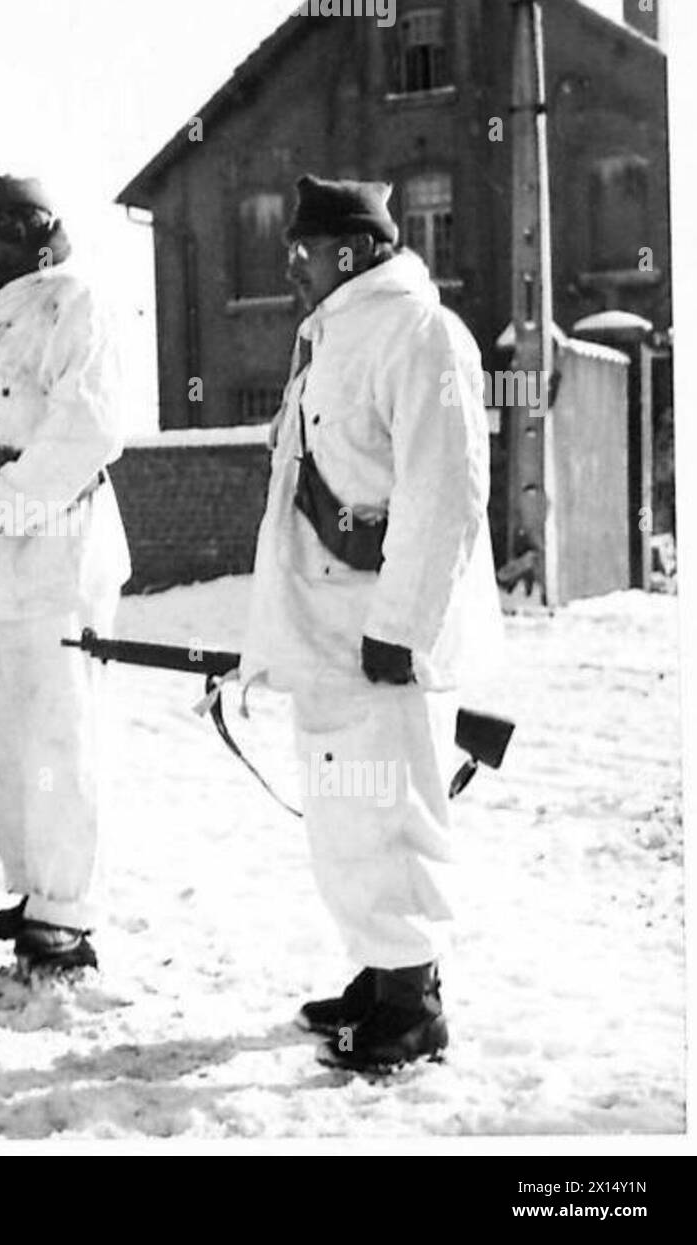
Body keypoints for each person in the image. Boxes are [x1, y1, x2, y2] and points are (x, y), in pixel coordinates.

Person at [239, 174, 503, 1071]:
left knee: (392, 807)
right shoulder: (327, 339)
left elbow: (444, 491)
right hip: (324, 625)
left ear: (351, 251)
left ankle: (413, 999)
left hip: (380, 630)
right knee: (344, 810)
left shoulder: (421, 332)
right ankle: (379, 967)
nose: (292, 265)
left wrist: (403, 622)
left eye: (305, 249)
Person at [0, 175, 131, 974]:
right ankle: (34, 889)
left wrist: (9, 496)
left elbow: (91, 427)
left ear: (17, 231)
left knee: (58, 733)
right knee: (4, 735)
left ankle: (67, 908)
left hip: (58, 557)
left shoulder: (71, 305)